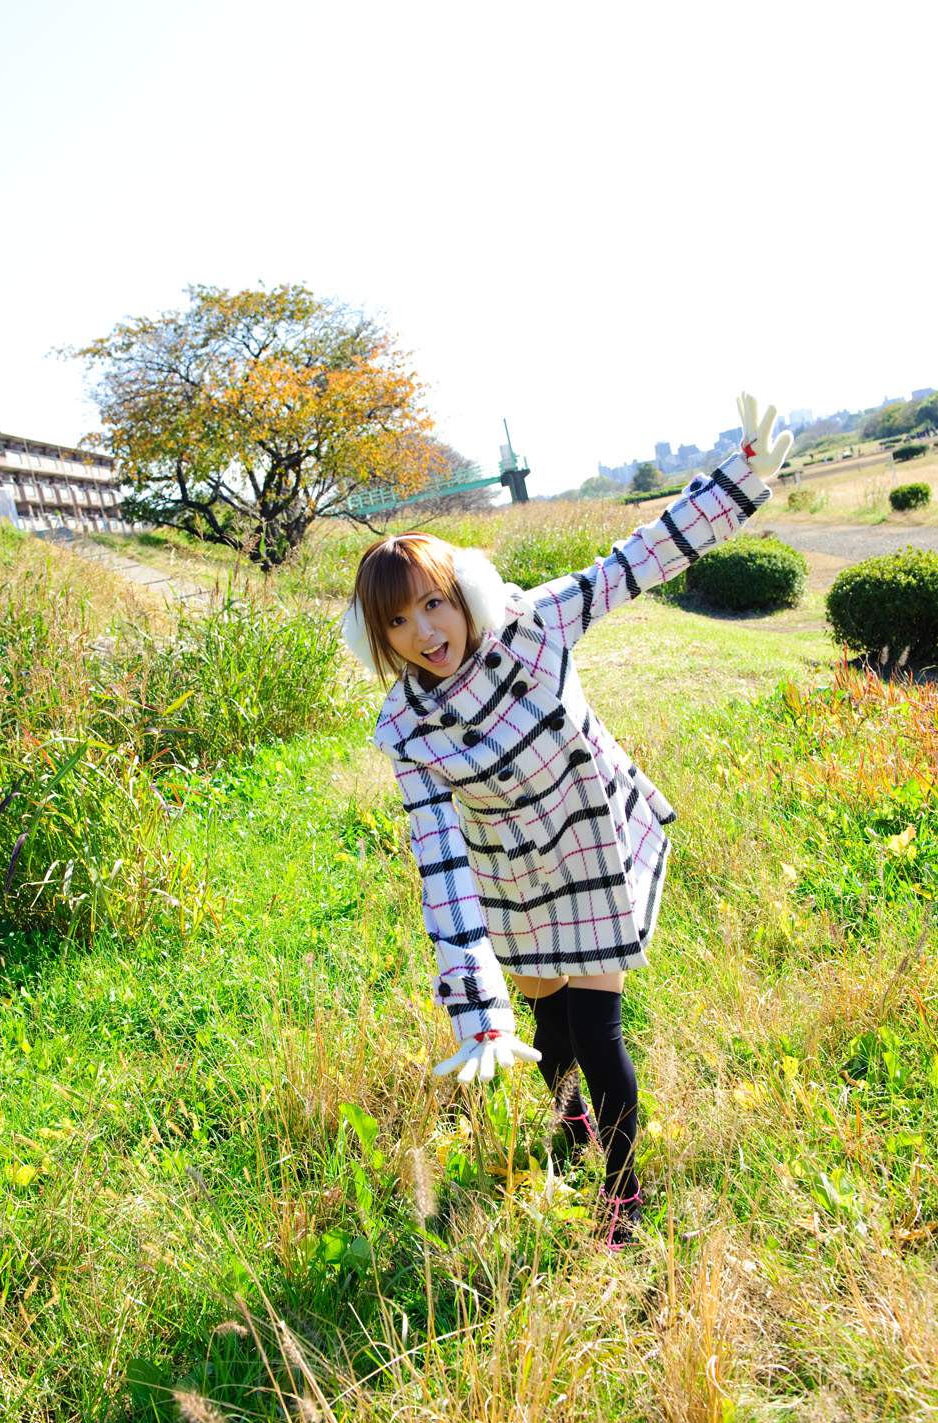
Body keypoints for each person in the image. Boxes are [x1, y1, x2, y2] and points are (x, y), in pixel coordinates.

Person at [339, 395, 792, 1250]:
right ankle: (568, 1119)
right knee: (547, 1023)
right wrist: (476, 1007)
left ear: (462, 594)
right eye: (396, 620)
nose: (422, 631)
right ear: (377, 636)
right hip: (508, 872)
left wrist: (737, 482)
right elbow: (440, 866)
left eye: (432, 603)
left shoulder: (533, 626)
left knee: (597, 1025)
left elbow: (633, 561)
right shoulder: (406, 731)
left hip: (588, 840)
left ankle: (621, 1196)